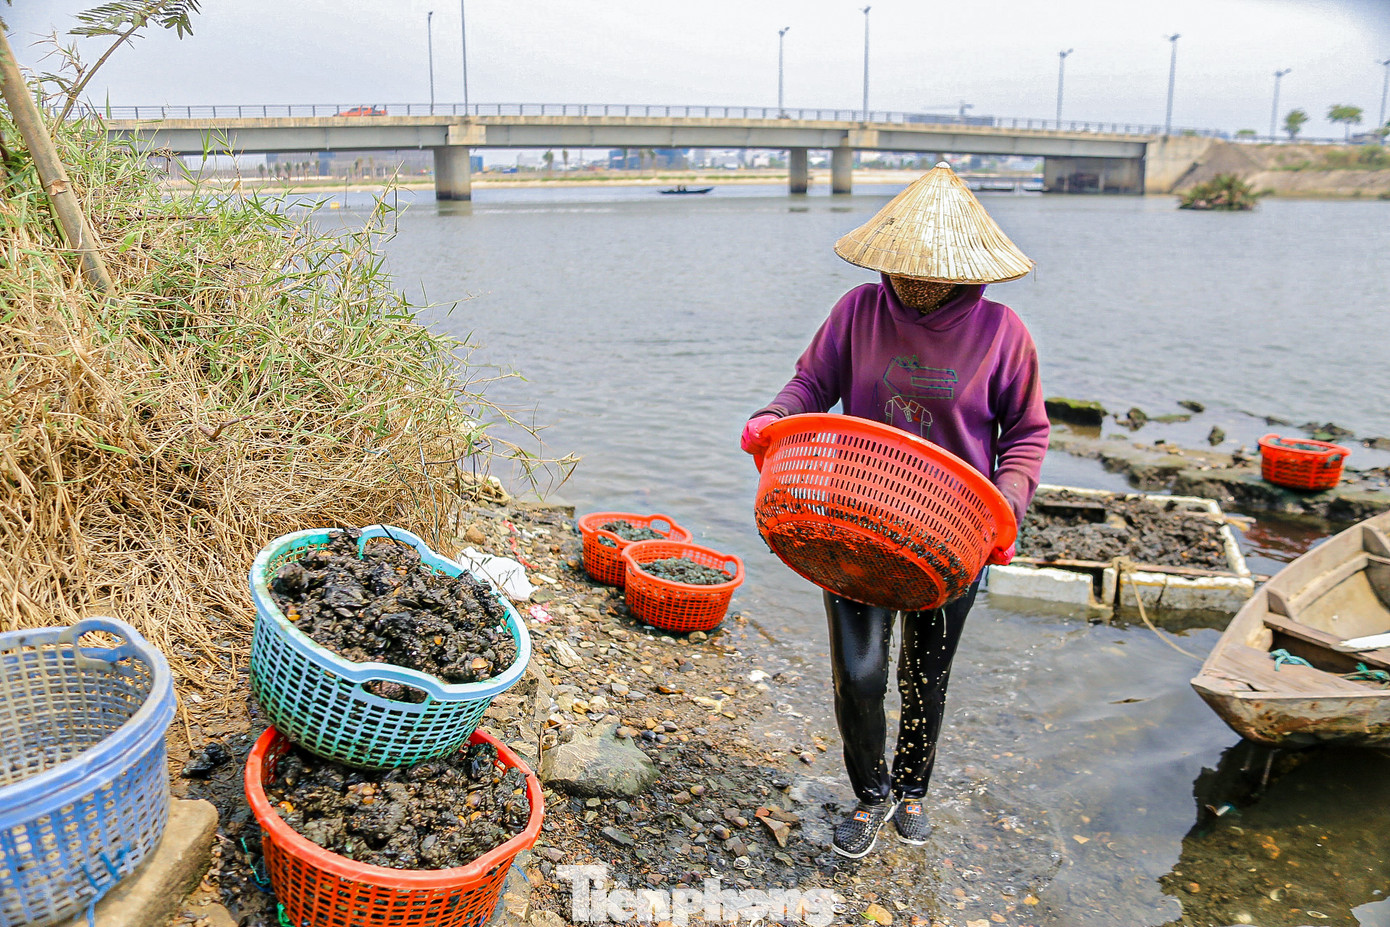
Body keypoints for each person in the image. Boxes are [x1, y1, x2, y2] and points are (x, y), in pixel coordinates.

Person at [739, 162, 1049, 859]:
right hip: (858, 521)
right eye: (904, 271)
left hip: (955, 534)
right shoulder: (857, 311)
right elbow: (811, 382)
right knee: (859, 671)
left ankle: (914, 788)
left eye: (931, 275)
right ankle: (870, 792)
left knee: (925, 673)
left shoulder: (1003, 334)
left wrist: (1011, 507)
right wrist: (774, 416)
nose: (915, 285)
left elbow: (1026, 434)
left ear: (966, 272)